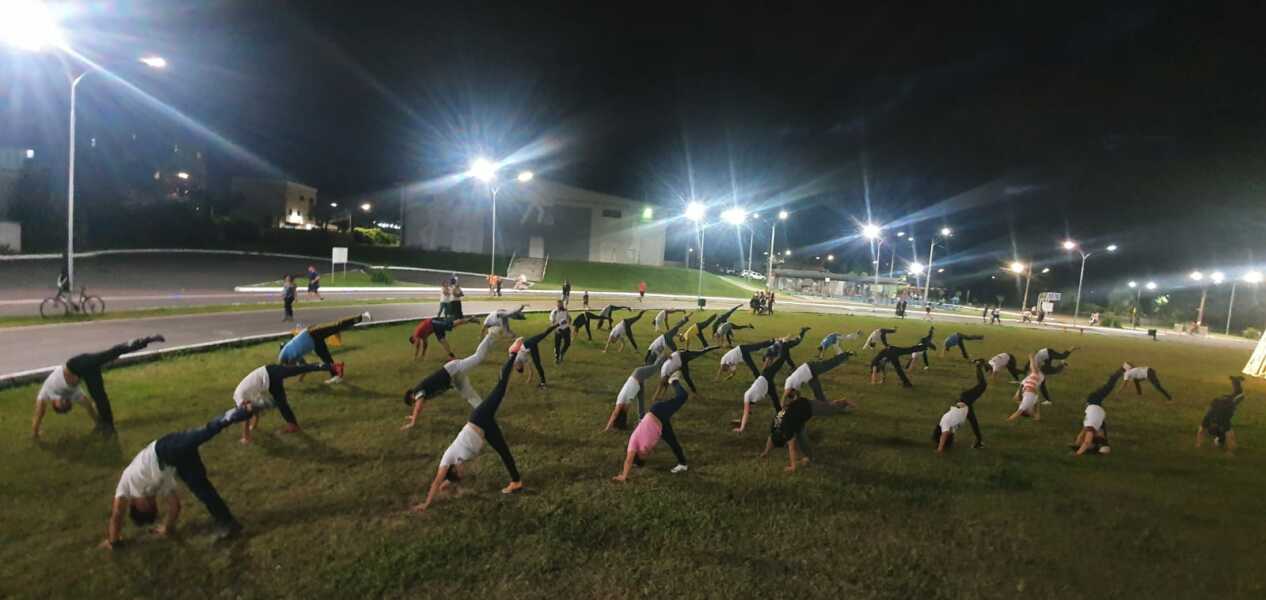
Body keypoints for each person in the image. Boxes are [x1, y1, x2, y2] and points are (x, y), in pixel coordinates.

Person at [102, 407, 252, 548]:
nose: (151, 501)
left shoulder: (125, 484)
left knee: (198, 436)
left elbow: (117, 514)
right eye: (153, 505)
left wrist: (113, 541)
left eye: (146, 506)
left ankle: (228, 417)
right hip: (177, 462)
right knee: (203, 490)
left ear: (134, 504)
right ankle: (228, 523)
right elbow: (175, 506)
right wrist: (167, 528)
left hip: (162, 449)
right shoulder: (161, 485)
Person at [415, 354, 525, 511]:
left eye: (460, 473)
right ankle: (516, 482)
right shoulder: (455, 465)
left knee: (500, 389)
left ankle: (512, 354)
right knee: (503, 451)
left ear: (452, 468)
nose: (464, 471)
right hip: (485, 429)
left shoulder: (447, 459)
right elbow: (446, 480)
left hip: (479, 418)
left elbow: (436, 481)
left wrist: (426, 504)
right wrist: (447, 484)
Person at [32, 335, 165, 437]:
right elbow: (88, 406)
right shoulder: (73, 394)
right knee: (100, 397)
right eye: (67, 404)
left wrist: (35, 432)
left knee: (110, 354)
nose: (64, 402)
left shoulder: (46, 392)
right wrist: (97, 422)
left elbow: (39, 413)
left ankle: (145, 340)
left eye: (61, 404)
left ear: (54, 404)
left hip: (76, 365)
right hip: (87, 372)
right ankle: (108, 425)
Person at [400, 334, 497, 430]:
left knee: (478, 358)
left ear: (411, 396)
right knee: (470, 396)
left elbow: (418, 406)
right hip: (453, 379)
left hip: (452, 370)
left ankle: (489, 336)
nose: (415, 402)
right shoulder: (420, 392)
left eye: (413, 401)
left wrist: (413, 422)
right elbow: (418, 406)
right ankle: (485, 413)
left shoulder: (418, 391)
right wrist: (414, 416)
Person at [613, 372, 691, 482]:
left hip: (658, 412)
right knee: (673, 442)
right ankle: (683, 464)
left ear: (638, 455)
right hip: (661, 424)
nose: (647, 454)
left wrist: (624, 476)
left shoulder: (633, 445)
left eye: (644, 456)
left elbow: (628, 460)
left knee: (683, 396)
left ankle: (674, 381)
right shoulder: (645, 449)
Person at [233, 363, 334, 444]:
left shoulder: (239, 396)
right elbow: (254, 411)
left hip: (270, 373)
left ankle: (330, 366)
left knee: (300, 369)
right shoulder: (246, 397)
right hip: (270, 378)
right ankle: (293, 426)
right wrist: (253, 426)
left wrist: (246, 437)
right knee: (281, 402)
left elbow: (246, 415)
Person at [278, 312, 370, 383]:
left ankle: (362, 316)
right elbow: (303, 367)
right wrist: (300, 379)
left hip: (311, 333)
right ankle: (336, 376)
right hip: (314, 343)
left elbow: (296, 368)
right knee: (325, 357)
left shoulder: (285, 355)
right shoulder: (292, 357)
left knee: (336, 326)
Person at [931, 359, 989, 452]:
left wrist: (939, 449)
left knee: (983, 385)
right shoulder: (951, 429)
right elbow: (946, 435)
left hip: (965, 400)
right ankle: (979, 442)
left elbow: (944, 434)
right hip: (966, 408)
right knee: (974, 423)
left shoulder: (945, 423)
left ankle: (978, 365)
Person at [782, 351, 856, 417]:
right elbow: (797, 396)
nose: (795, 393)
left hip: (810, 368)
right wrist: (793, 404)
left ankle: (846, 354)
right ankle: (830, 407)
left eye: (793, 393)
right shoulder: (794, 387)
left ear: (791, 391)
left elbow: (786, 393)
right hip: (810, 376)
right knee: (818, 394)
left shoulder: (788, 383)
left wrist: (782, 405)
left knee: (829, 364)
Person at [1073, 369, 1126, 456]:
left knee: (1108, 387)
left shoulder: (1092, 428)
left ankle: (1122, 369)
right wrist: (1078, 452)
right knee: (1108, 387)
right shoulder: (1093, 429)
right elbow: (1085, 441)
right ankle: (1122, 369)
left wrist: (1078, 450)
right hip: (1095, 404)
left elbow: (1083, 439)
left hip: (1095, 404)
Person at [606, 356, 667, 431]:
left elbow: (615, 414)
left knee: (655, 368)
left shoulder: (620, 403)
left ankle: (663, 356)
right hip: (638, 384)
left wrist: (607, 428)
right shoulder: (625, 407)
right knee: (640, 400)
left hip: (638, 374)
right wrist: (616, 424)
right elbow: (618, 415)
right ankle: (641, 419)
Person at [1196, 376, 1246, 453]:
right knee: (1235, 394)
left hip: (1228, 404)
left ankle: (1236, 381)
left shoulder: (1223, 421)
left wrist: (1230, 452)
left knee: (1241, 395)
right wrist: (1198, 444)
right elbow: (1201, 431)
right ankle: (1235, 381)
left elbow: (1230, 436)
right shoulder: (1208, 419)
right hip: (1220, 403)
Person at [652, 346, 719, 401]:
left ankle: (716, 347)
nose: (667, 381)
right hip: (681, 363)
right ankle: (695, 393)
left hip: (682, 356)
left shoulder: (665, 372)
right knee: (687, 378)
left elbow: (665, 354)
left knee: (701, 352)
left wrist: (668, 356)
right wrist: (659, 396)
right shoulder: (664, 375)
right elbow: (664, 385)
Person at [869, 336, 934, 388]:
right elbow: (883, 373)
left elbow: (874, 373)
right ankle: (907, 383)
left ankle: (924, 346)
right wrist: (882, 380)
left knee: (907, 350)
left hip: (891, 351)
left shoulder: (874, 364)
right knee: (899, 368)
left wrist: (873, 382)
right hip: (891, 355)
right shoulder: (880, 365)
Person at [410, 316, 477, 360]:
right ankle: (451, 356)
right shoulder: (421, 336)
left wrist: (415, 357)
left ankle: (470, 319)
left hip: (433, 323)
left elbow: (418, 345)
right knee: (442, 341)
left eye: (415, 341)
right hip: (434, 328)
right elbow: (425, 345)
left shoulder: (417, 334)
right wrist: (422, 356)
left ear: (413, 338)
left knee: (451, 325)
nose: (416, 342)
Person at [1006, 355, 1044, 421]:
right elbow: (1037, 403)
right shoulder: (1030, 403)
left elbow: (1018, 412)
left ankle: (1032, 359)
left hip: (1030, 384)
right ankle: (1032, 359)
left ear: (1026, 411)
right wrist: (1037, 414)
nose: (1031, 411)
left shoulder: (1025, 405)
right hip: (1031, 384)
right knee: (1034, 371)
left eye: (1030, 412)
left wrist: (1009, 419)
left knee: (1034, 370)